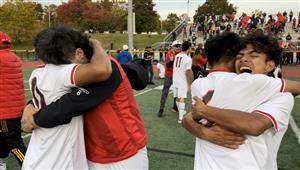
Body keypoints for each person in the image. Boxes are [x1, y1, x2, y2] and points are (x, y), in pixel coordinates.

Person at [21, 29, 149, 169]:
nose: (57, 67)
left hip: (122, 153)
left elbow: (69, 105)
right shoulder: (76, 71)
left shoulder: (106, 69)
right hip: (92, 154)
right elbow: (57, 91)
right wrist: (31, 104)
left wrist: (35, 119)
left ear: (79, 53)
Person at [182, 31, 299, 169]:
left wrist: (204, 111)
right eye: (239, 56)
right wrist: (202, 131)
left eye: (253, 55)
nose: (244, 59)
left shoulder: (281, 96)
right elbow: (189, 118)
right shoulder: (234, 84)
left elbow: (254, 125)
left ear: (269, 66)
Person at [0, 32, 27, 169]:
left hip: (5, 112)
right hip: (15, 109)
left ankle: (29, 165)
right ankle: (2, 160)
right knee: (3, 137)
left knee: (14, 143)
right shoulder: (14, 57)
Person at [157, 40, 182, 117]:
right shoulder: (170, 53)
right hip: (170, 75)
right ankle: (161, 109)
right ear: (173, 47)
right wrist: (171, 61)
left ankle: (175, 106)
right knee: (165, 91)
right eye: (176, 46)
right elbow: (168, 65)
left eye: (179, 46)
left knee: (178, 91)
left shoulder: (181, 54)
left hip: (178, 75)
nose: (178, 47)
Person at [173, 41, 193, 123]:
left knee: (178, 97)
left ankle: (181, 112)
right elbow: (188, 72)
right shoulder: (188, 58)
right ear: (188, 48)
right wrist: (189, 84)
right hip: (182, 80)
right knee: (182, 98)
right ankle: (181, 118)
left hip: (175, 79)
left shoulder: (177, 55)